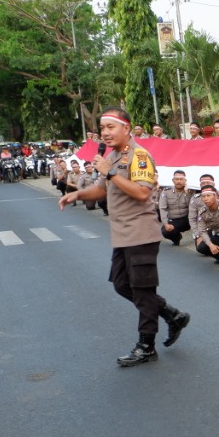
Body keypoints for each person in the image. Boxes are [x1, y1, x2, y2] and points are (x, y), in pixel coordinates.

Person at [58, 108, 189, 367]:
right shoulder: (114, 157)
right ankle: (172, 314)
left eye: (111, 127)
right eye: (102, 128)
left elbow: (141, 193)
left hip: (140, 233)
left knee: (142, 291)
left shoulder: (139, 156)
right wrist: (77, 194)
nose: (105, 133)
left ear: (126, 129)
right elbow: (102, 189)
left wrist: (109, 172)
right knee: (121, 284)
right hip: (122, 235)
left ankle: (146, 345)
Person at [190, 186, 219, 262]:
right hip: (218, 235)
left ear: (215, 196)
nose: (206, 199)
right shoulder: (202, 212)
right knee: (201, 248)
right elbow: (202, 231)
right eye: (203, 196)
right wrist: (211, 245)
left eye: (208, 195)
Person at [157, 170, 193, 247]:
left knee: (174, 226)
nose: (179, 181)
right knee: (165, 231)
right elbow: (162, 208)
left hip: (186, 219)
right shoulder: (166, 192)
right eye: (177, 179)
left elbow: (192, 207)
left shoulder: (190, 191)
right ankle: (177, 238)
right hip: (173, 219)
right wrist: (165, 223)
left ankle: (175, 229)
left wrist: (187, 194)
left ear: (185, 181)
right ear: (173, 181)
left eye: (181, 179)